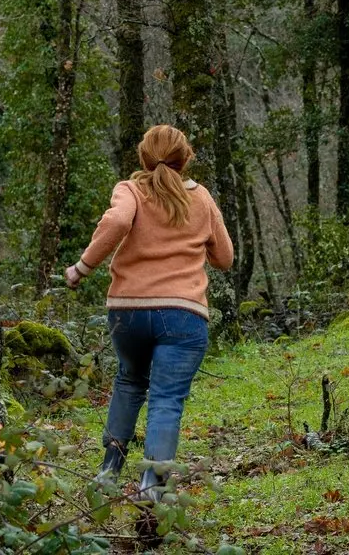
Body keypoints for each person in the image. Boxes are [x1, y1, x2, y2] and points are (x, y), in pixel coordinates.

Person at [64, 124, 234, 500]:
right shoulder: (201, 198)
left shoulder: (130, 189)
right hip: (183, 313)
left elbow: (117, 221)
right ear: (185, 159)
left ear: (143, 158)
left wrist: (81, 268)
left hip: (129, 311)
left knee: (129, 381)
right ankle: (152, 486)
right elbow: (224, 258)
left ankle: (108, 473)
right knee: (166, 399)